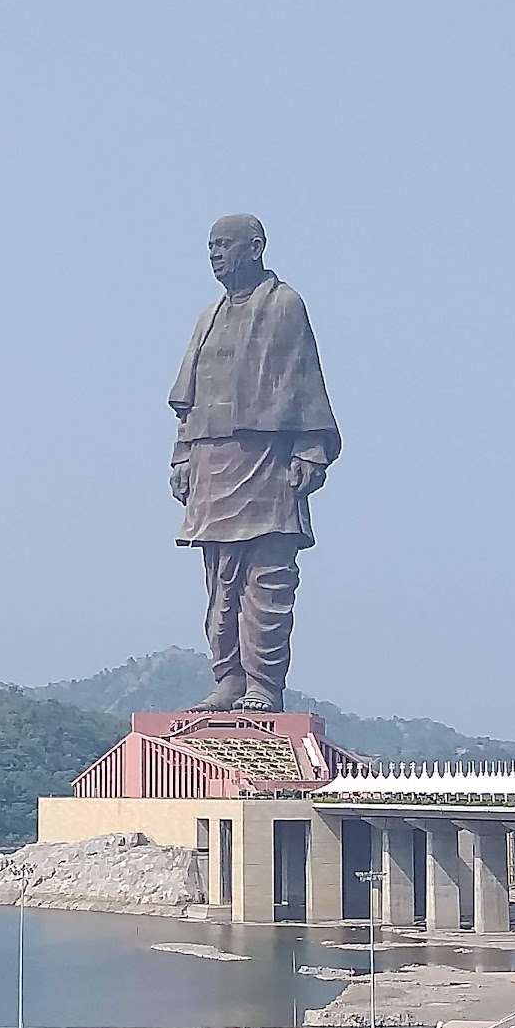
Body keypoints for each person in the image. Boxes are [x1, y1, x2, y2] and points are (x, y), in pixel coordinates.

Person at [169, 215, 340, 713]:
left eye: (224, 245)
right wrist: (183, 455)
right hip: (211, 458)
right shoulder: (208, 316)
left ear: (256, 247)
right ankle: (228, 679)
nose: (215, 254)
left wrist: (310, 448)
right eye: (210, 246)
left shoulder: (284, 305)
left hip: (266, 460)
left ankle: (263, 683)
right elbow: (189, 399)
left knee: (267, 574)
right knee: (219, 576)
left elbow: (302, 380)